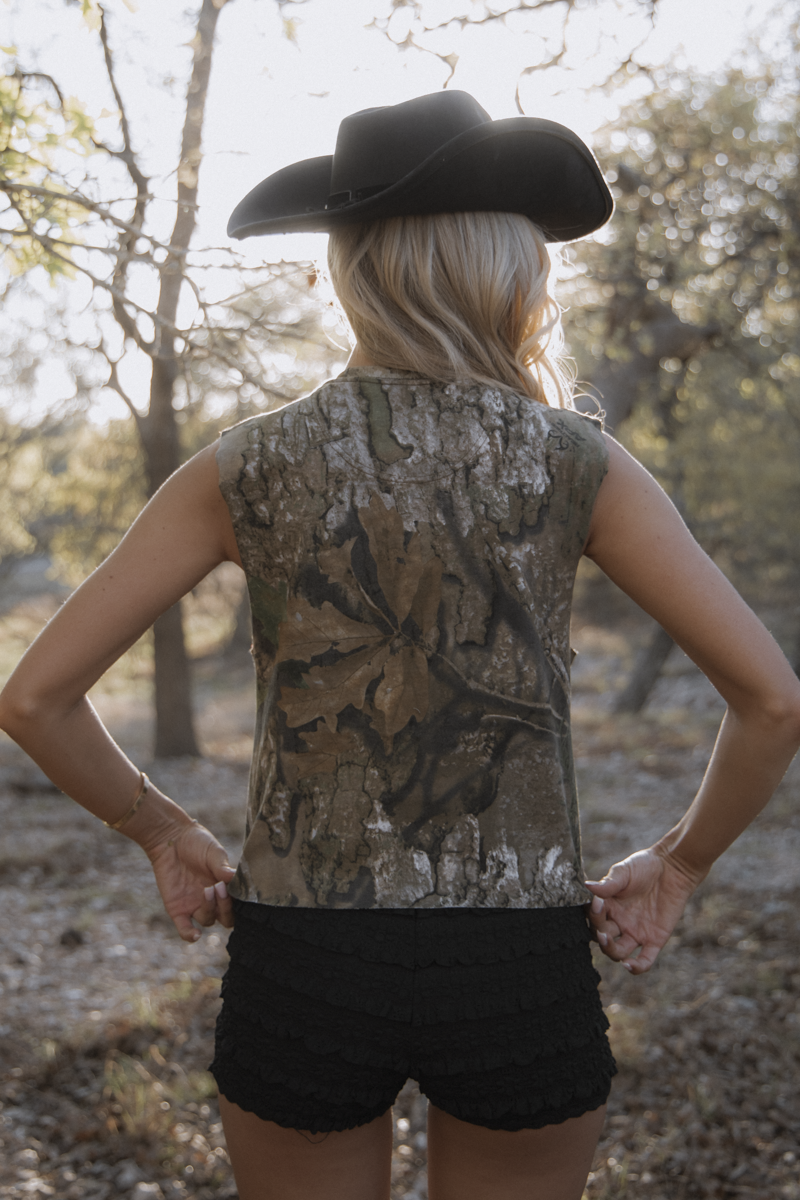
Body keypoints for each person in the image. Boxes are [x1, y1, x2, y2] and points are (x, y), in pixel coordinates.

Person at [1, 91, 799, 1200]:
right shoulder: (578, 465)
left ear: (354, 271)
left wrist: (160, 828)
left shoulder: (243, 466)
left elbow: (35, 697)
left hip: (303, 961)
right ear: (511, 270)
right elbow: (770, 700)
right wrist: (679, 863)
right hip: (515, 965)